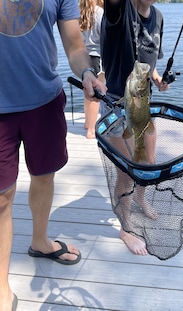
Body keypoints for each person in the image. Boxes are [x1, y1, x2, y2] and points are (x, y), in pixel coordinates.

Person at [0, 1, 107, 310]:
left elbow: (74, 44)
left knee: (44, 176)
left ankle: (40, 240)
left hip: (44, 101)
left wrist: (87, 71)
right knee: (2, 197)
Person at [101, 0, 170, 256]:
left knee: (148, 162)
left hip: (142, 103)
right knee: (126, 172)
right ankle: (126, 228)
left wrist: (159, 81)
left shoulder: (158, 18)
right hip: (116, 106)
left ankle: (140, 198)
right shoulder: (119, 11)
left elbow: (150, 65)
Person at [79, 0, 105, 139]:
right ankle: (92, 130)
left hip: (82, 57)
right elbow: (105, 37)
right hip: (97, 57)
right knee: (96, 95)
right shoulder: (100, 13)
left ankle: (87, 122)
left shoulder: (80, 13)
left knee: (87, 92)